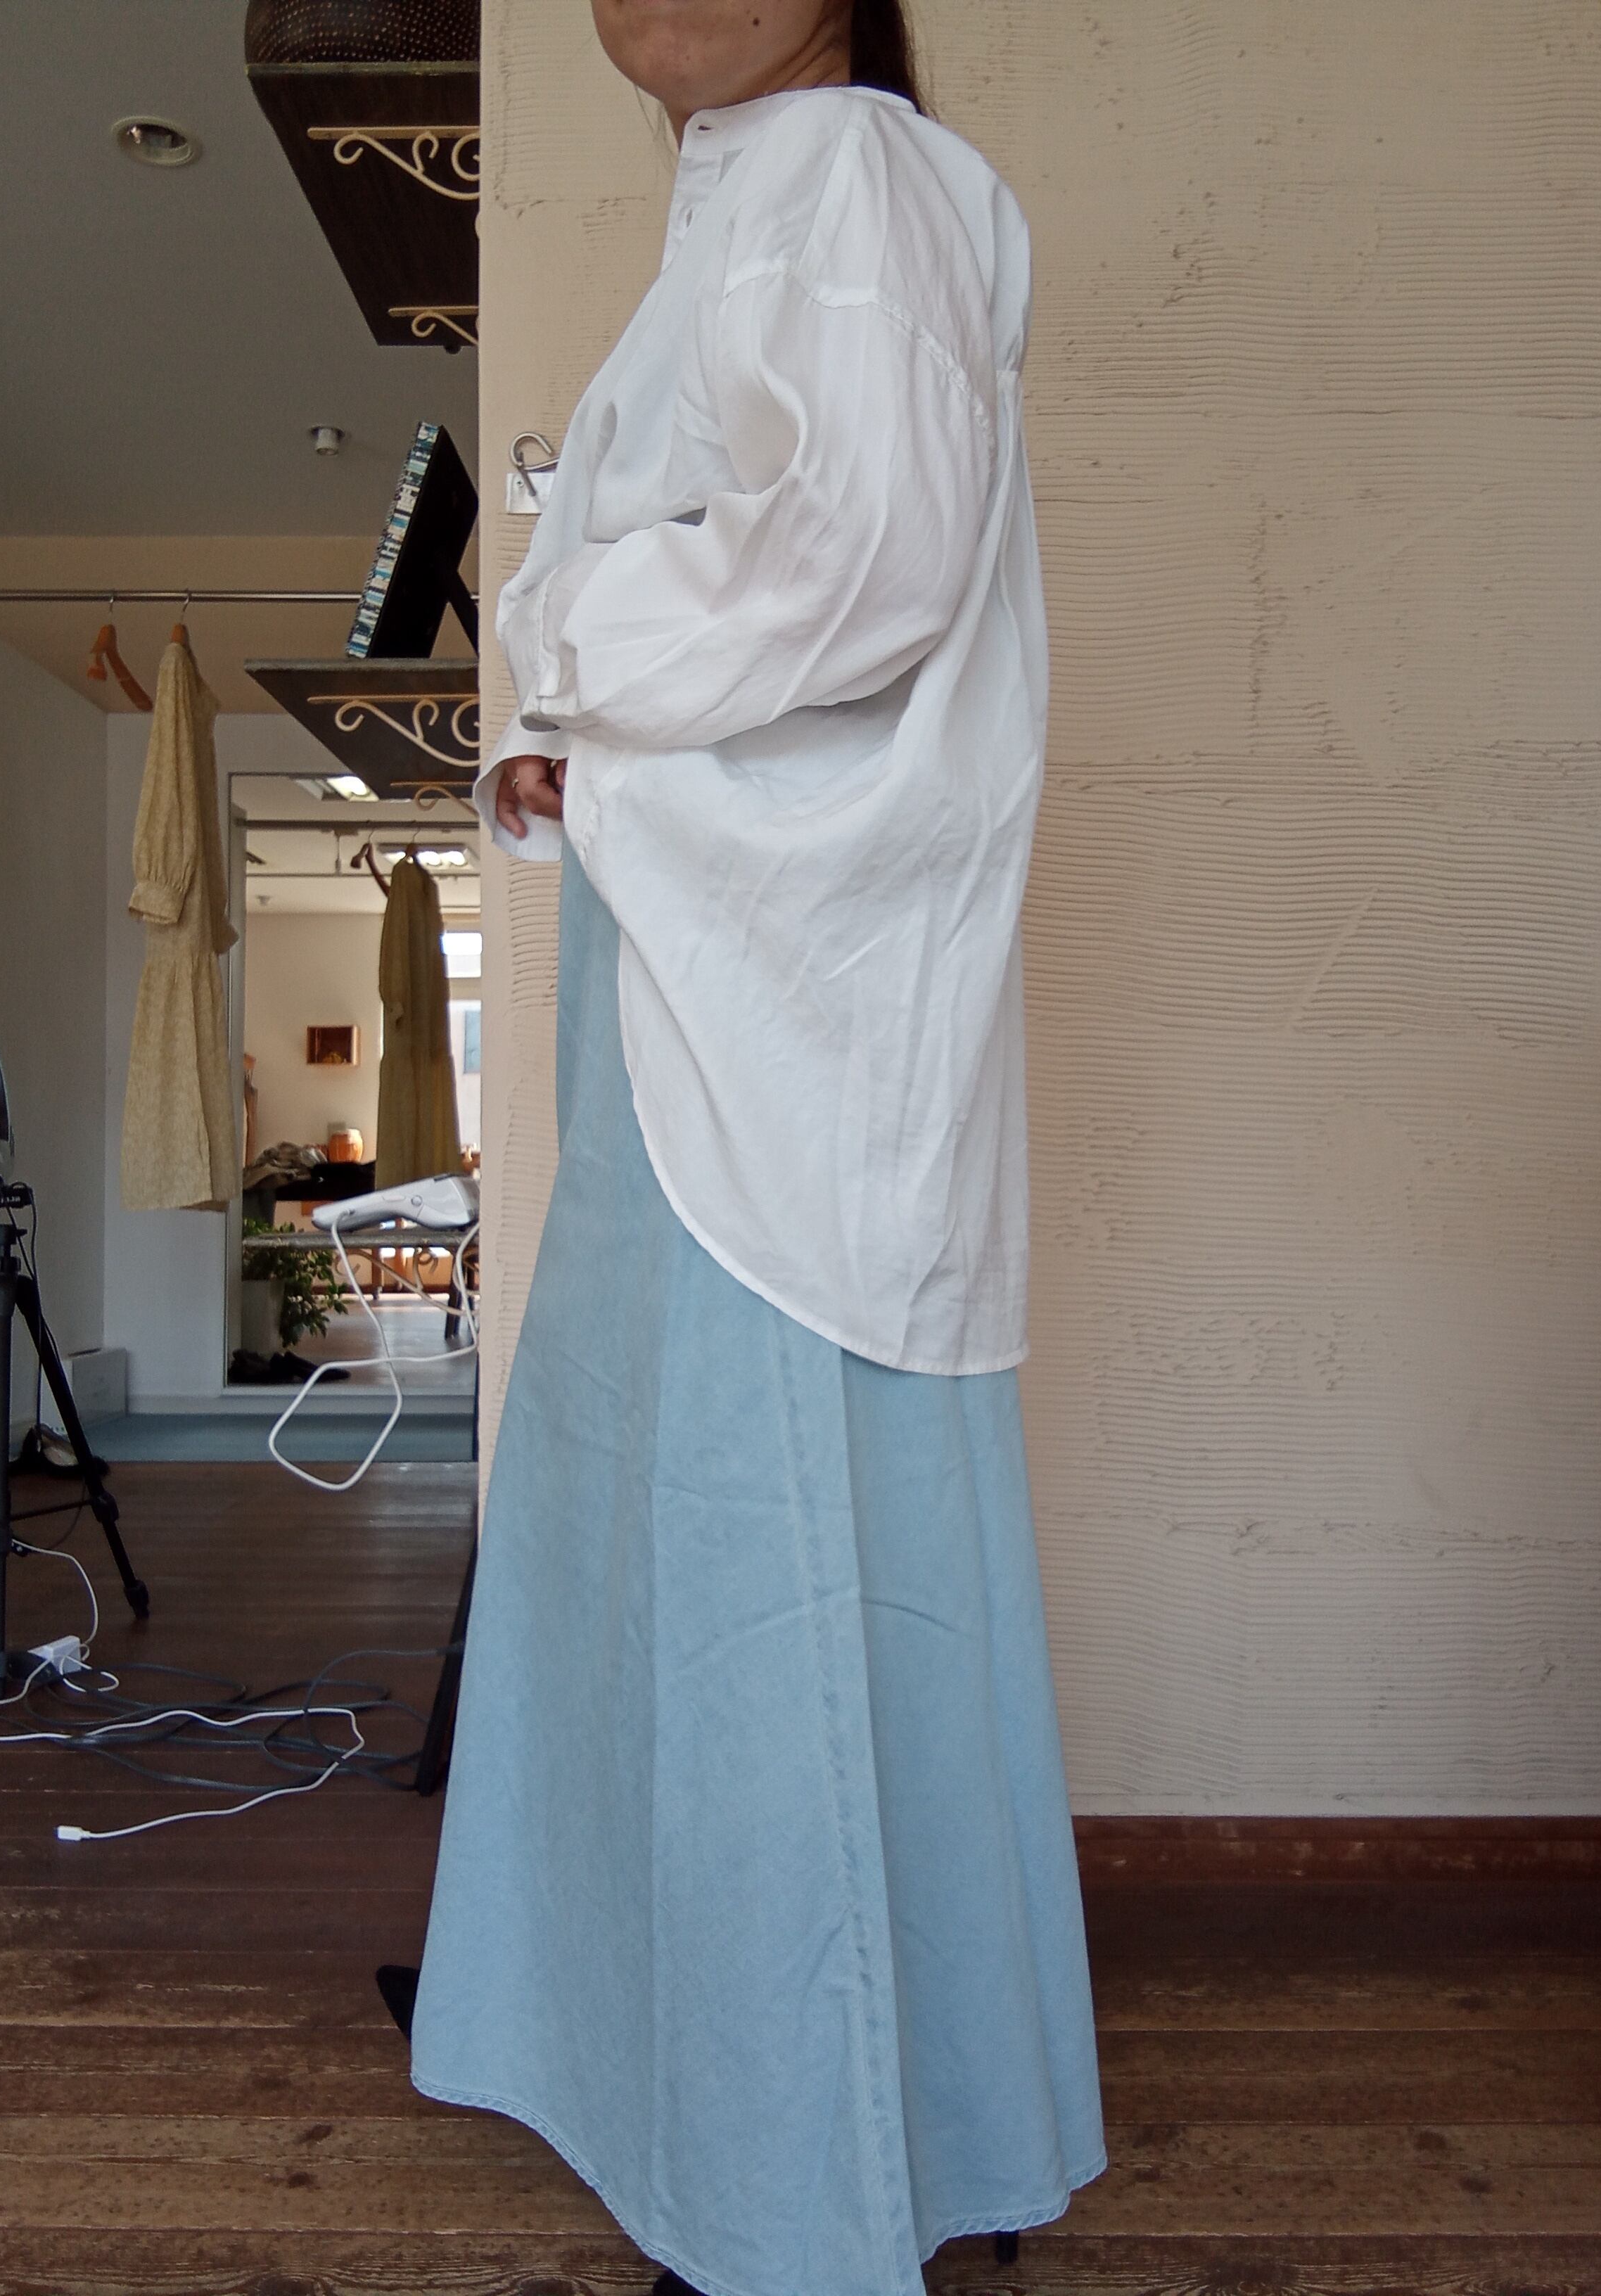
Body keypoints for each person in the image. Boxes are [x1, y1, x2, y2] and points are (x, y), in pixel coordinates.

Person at [407, 6, 1108, 2292]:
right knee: (710, 1539)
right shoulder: (775, 193)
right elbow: (800, 588)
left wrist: (570, 639)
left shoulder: (849, 175)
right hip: (716, 976)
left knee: (759, 1547)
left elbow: (870, 556)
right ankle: (780, 2111)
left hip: (773, 1030)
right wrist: (574, 735)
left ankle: (797, 2168)